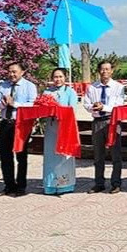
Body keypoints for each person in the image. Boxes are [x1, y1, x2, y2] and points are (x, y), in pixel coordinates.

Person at [0, 62, 38, 196]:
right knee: (5, 156)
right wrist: (3, 103)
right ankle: (9, 185)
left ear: (22, 72)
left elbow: (32, 105)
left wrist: (15, 104)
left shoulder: (29, 86)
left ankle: (21, 186)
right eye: (10, 72)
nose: (12, 74)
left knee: (21, 156)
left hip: (21, 124)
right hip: (5, 123)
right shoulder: (3, 86)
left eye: (15, 72)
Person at [83, 60, 125, 194]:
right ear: (99, 71)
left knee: (115, 154)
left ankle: (116, 183)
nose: (105, 72)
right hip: (97, 121)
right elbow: (86, 103)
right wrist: (93, 107)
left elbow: (119, 105)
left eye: (107, 69)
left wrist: (104, 107)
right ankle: (99, 183)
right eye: (102, 69)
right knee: (98, 155)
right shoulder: (92, 87)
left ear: (112, 71)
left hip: (112, 121)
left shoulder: (118, 87)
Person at [43, 68, 78, 196]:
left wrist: (60, 113)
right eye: (55, 77)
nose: (58, 79)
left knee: (64, 155)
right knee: (51, 155)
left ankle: (65, 184)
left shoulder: (70, 92)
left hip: (66, 127)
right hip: (51, 127)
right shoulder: (47, 92)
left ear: (65, 78)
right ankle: (50, 185)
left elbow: (72, 110)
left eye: (60, 77)